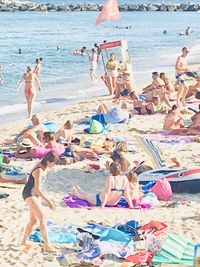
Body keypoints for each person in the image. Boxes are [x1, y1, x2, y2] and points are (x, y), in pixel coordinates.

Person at [21, 152, 58, 252]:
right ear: (48, 161)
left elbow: (37, 188)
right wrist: (49, 201)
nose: (54, 165)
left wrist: (40, 199)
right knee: (43, 218)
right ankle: (47, 245)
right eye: (53, 163)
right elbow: (37, 189)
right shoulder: (39, 170)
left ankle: (23, 241)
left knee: (34, 221)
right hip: (29, 194)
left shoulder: (44, 168)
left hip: (34, 195)